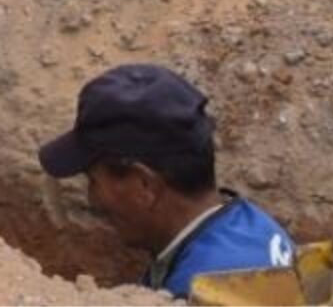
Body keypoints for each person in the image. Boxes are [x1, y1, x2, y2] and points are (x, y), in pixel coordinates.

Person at [39, 63, 295, 299]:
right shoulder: (252, 224)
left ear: (144, 185)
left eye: (93, 180)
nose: (92, 199)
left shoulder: (198, 291)